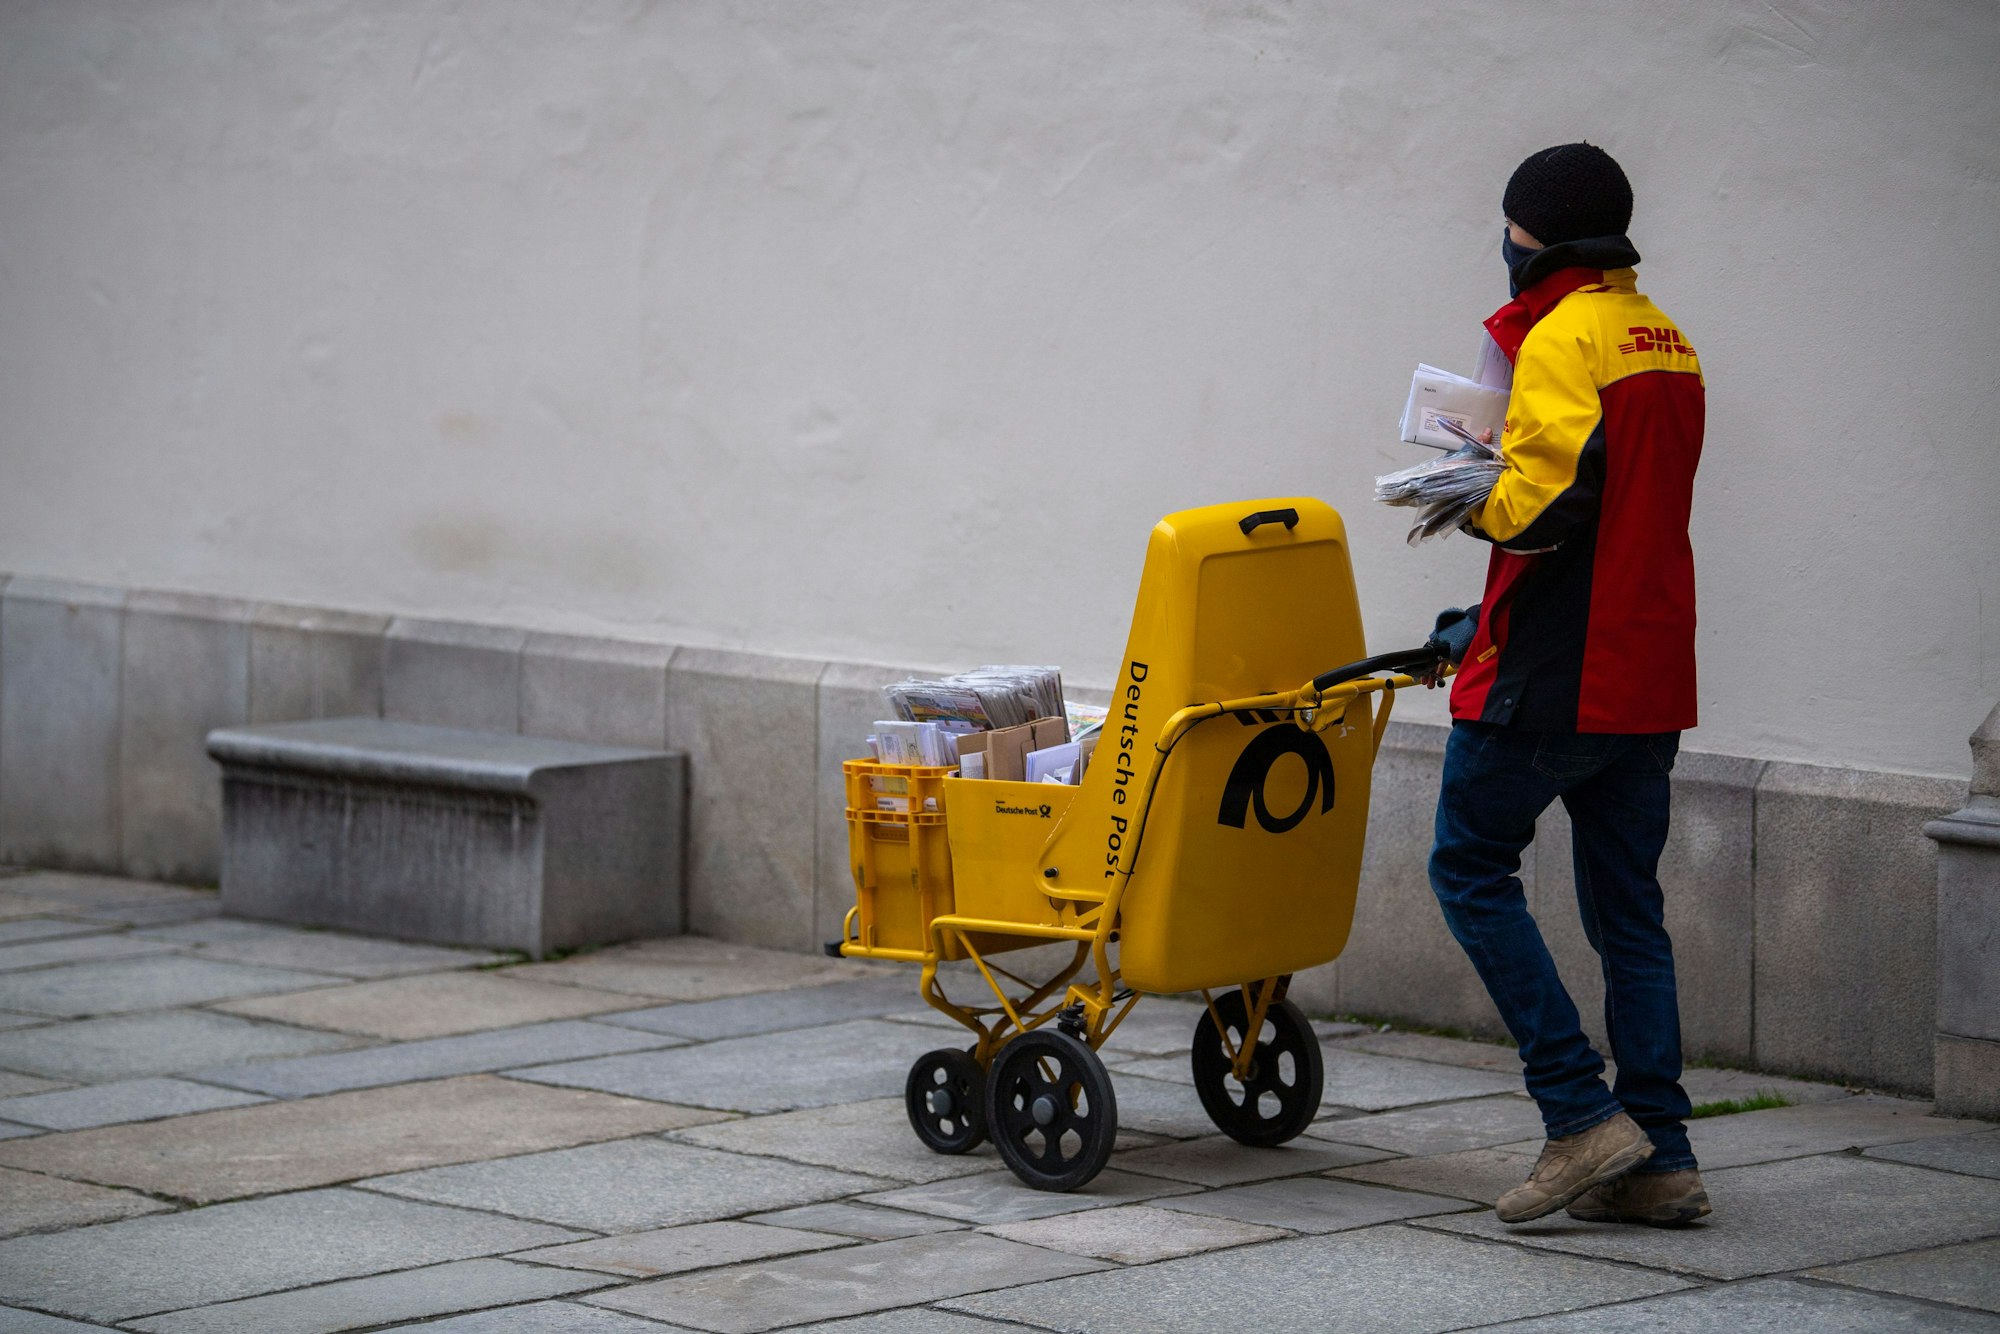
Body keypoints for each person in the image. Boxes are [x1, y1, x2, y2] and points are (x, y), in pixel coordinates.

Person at [1429, 142, 1709, 1226]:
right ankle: (1661, 1157)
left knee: (1467, 866)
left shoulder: (1560, 335)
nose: (1502, 244)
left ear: (1532, 232)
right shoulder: (1663, 337)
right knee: (1628, 915)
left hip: (1553, 670)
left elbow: (1543, 509)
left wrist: (1465, 490)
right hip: (1647, 667)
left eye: (1509, 227)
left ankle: (1577, 1111)